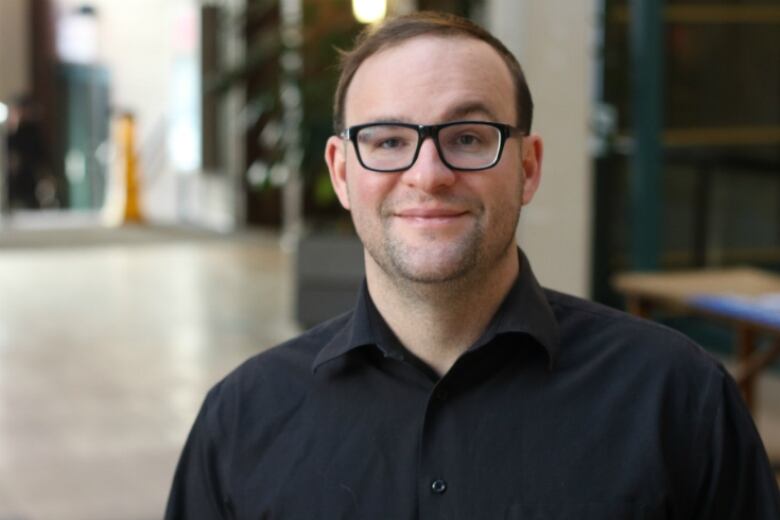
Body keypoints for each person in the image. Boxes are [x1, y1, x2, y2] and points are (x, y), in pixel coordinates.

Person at [166, 12, 780, 519]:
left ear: (529, 167)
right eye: (386, 141)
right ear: (341, 172)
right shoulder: (243, 420)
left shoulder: (678, 399)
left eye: (468, 137)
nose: (428, 175)